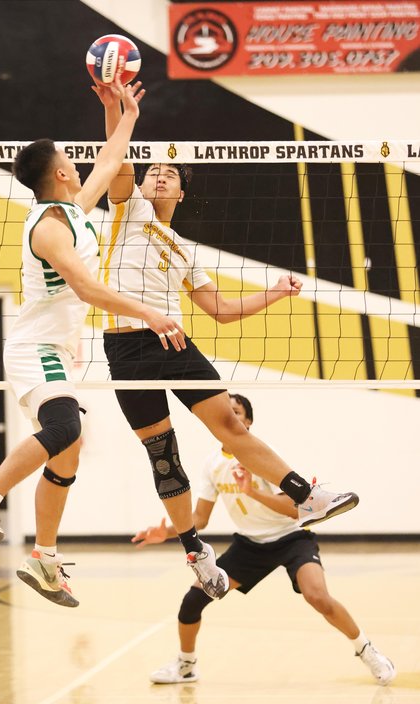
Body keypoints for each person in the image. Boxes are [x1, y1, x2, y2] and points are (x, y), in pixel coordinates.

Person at [93, 86, 359, 600]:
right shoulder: (129, 212)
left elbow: (222, 311)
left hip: (173, 343)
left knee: (231, 425)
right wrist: (118, 108)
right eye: (154, 171)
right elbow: (116, 155)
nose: (159, 174)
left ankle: (307, 496)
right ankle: (196, 550)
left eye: (170, 174)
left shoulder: (187, 251)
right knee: (164, 456)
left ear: (182, 194)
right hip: (127, 348)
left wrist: (276, 293)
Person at [0, 76, 188, 608]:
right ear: (59, 173)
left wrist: (123, 111)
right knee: (66, 427)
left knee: (68, 451)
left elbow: (109, 161)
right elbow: (86, 288)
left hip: (55, 350)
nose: (80, 166)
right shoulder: (49, 227)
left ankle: (44, 557)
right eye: (70, 161)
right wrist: (149, 312)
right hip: (36, 348)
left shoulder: (75, 210)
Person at [132, 394, 396, 687]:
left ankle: (368, 651)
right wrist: (167, 533)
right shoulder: (213, 465)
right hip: (250, 545)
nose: (229, 415)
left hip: (292, 538)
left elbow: (296, 509)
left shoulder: (260, 455)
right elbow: (201, 518)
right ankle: (186, 666)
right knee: (193, 601)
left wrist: (253, 492)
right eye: (226, 410)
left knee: (317, 596)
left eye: (236, 412)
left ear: (247, 421)